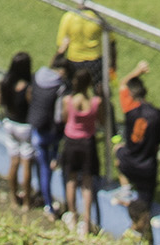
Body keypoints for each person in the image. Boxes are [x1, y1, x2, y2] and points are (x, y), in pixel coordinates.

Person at [113, 72, 160, 243]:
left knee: (118, 149)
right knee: (144, 210)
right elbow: (157, 143)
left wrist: (136, 71)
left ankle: (125, 188)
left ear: (132, 94)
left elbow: (122, 84)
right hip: (147, 168)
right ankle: (147, 240)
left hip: (128, 164)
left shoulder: (130, 111)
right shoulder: (157, 115)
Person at [59, 69, 103, 236]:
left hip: (71, 143)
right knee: (87, 183)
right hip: (87, 144)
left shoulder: (68, 101)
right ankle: (86, 221)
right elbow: (101, 120)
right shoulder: (95, 102)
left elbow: (64, 119)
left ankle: (73, 216)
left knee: (70, 179)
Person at [26, 50, 68, 215]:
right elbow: (59, 115)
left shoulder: (38, 76)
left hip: (35, 128)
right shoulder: (60, 86)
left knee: (41, 165)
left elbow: (30, 95)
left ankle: (44, 199)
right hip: (50, 133)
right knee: (46, 169)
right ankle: (49, 205)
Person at [0, 52, 37, 208]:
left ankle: (14, 199)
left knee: (14, 162)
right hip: (24, 127)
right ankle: (27, 202)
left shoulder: (5, 83)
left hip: (9, 124)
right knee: (26, 164)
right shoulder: (28, 87)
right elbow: (32, 106)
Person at [57, 0, 105, 92]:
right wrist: (112, 64)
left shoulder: (69, 17)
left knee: (72, 90)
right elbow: (111, 42)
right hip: (95, 61)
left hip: (74, 61)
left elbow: (61, 44)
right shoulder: (98, 18)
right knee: (99, 91)